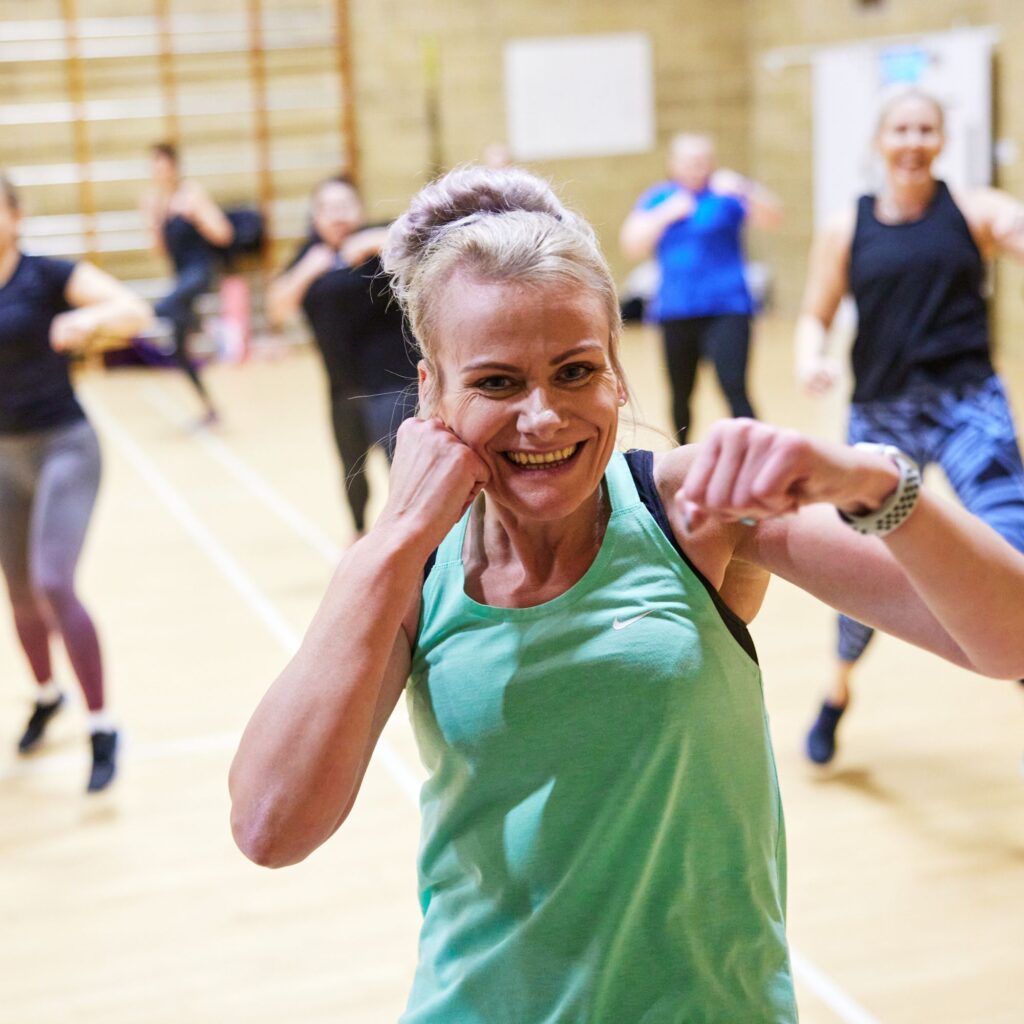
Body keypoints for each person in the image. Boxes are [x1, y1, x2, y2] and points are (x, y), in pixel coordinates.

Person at [228, 166, 1024, 1022]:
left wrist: (873, 482)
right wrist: (391, 541)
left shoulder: (695, 513)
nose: (543, 417)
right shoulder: (409, 571)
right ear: (431, 392)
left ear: (618, 371)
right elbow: (272, 827)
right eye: (497, 382)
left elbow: (1006, 642)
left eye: (575, 372)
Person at [795, 86, 1024, 765]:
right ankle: (837, 691)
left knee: (1014, 551)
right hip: (882, 416)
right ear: (880, 141)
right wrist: (811, 359)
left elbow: (1013, 225)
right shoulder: (847, 226)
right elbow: (816, 311)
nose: (915, 140)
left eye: (927, 128)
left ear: (942, 141)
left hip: (968, 406)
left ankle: (1017, 662)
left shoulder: (975, 209)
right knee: (865, 578)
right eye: (902, 128)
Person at [0, 173, 151, 791]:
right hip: (3, 460)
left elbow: (133, 311)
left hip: (65, 446)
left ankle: (102, 723)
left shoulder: (47, 276)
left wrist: (88, 323)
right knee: (18, 593)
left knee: (53, 582)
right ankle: (45, 693)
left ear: (16, 214)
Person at [266, 175, 417, 537]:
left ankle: (417, 540)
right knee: (352, 469)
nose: (337, 216)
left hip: (392, 385)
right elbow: (277, 309)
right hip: (342, 389)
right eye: (328, 209)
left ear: (360, 210)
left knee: (404, 470)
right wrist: (307, 271)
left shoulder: (386, 242)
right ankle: (358, 535)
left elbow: (427, 245)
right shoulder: (308, 256)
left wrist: (378, 242)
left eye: (345, 207)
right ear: (315, 217)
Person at [620, 132, 782, 440]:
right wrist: (665, 215)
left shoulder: (726, 195)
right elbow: (631, 244)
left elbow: (773, 218)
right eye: (689, 160)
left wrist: (745, 188)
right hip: (676, 311)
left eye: (703, 160)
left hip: (728, 308)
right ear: (673, 164)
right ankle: (681, 453)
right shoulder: (660, 198)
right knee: (681, 392)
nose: (697, 166)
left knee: (734, 386)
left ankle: (760, 454)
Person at [141, 141, 233, 424]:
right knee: (178, 349)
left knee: (161, 308)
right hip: (181, 279)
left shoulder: (192, 194)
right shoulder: (157, 203)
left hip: (200, 273)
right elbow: (159, 251)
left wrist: (197, 215)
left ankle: (209, 330)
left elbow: (224, 235)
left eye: (164, 167)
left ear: (174, 167)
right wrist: (154, 222)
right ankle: (210, 408)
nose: (160, 173)